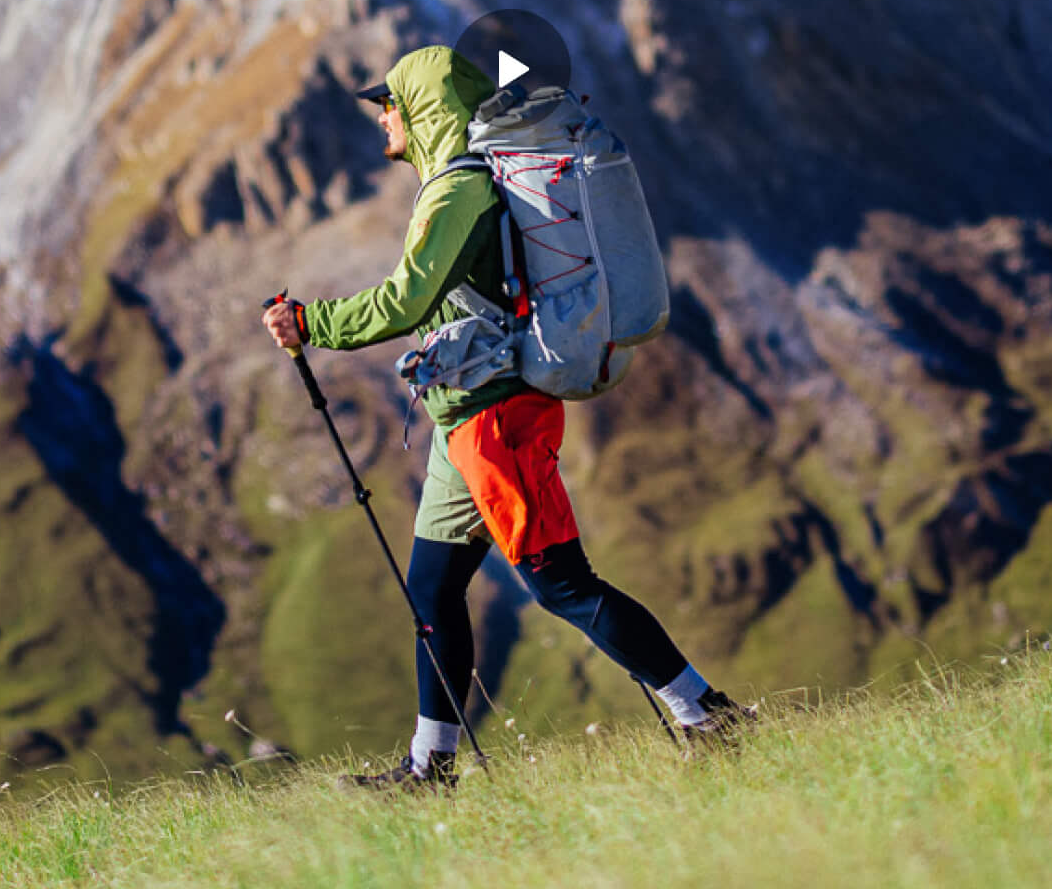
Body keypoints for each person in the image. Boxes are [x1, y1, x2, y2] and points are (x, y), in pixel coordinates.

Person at [261, 44, 746, 787]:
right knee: (432, 591)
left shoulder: (458, 192)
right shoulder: (455, 186)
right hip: (464, 420)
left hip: (497, 421)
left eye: (388, 101)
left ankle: (707, 714)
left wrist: (310, 322)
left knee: (560, 584)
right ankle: (431, 771)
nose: (381, 116)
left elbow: (407, 300)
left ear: (423, 109)